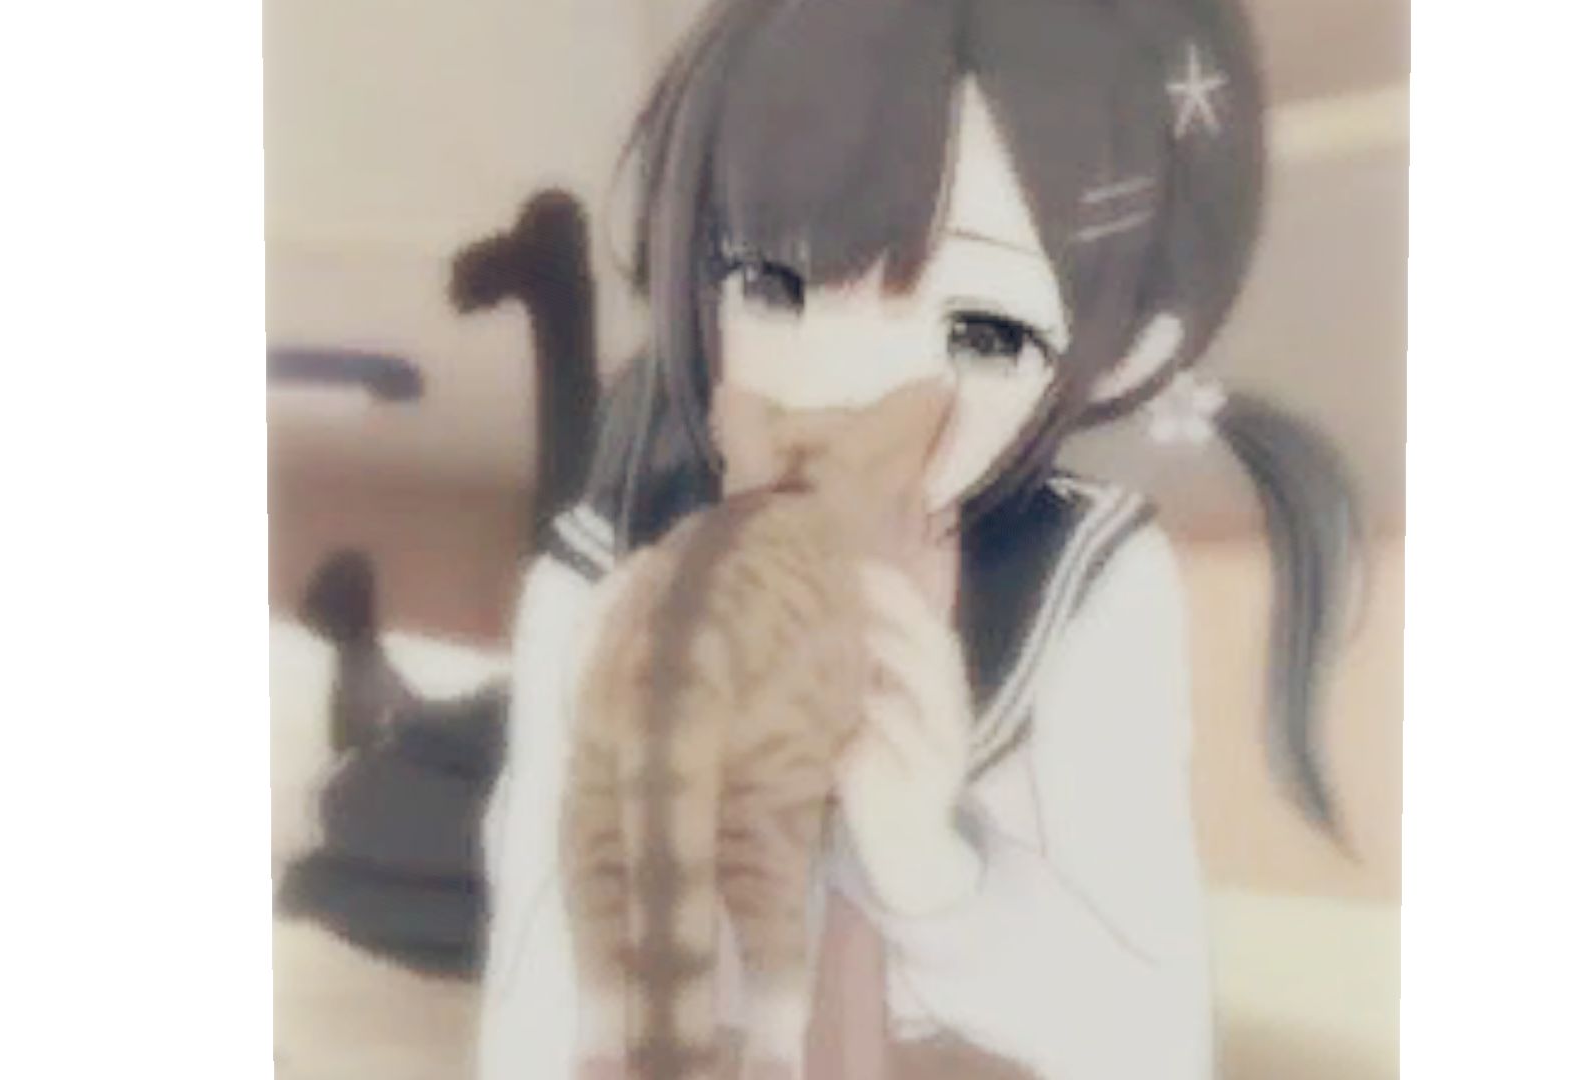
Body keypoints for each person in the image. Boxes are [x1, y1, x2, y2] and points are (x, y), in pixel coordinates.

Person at [479, 0, 1358, 1076]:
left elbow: (1152, 1042)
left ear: (1129, 353)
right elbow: (535, 1000)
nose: (845, 385)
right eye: (770, 282)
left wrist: (935, 874)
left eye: (980, 333)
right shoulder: (613, 574)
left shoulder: (1082, 582)